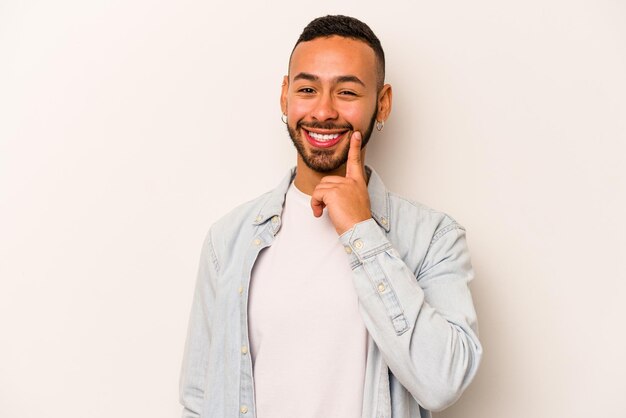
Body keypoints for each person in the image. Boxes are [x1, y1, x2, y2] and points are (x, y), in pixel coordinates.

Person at [180, 15, 482, 418]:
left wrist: (362, 231)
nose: (323, 112)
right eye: (307, 89)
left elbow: (442, 381)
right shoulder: (229, 239)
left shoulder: (434, 238)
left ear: (383, 102)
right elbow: (200, 399)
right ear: (285, 96)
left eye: (346, 92)